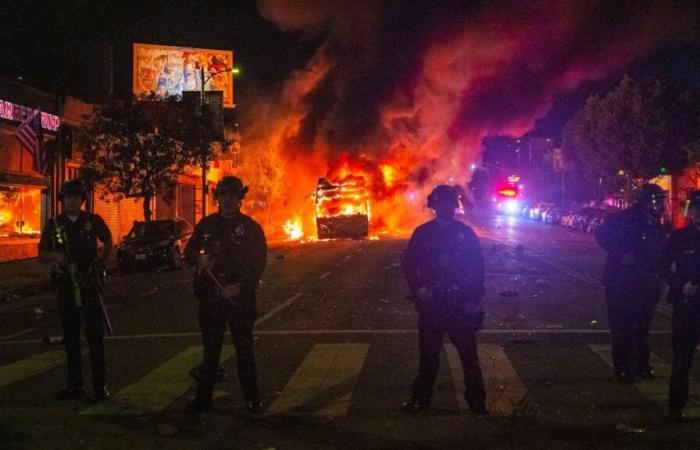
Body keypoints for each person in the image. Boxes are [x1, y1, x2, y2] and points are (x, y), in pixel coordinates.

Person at [401, 185, 487, 415]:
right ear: (434, 204)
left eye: (449, 202)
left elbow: (478, 268)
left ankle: (477, 402)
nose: (445, 206)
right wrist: (419, 289)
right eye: (441, 202)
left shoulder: (465, 234)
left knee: (469, 358)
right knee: (428, 358)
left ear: (454, 205)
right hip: (433, 305)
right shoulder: (423, 233)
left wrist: (474, 300)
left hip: (459, 304)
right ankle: (421, 399)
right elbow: (409, 264)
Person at [184, 176, 267, 414]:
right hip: (211, 298)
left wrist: (239, 286)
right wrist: (199, 258)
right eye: (223, 195)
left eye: (232, 195)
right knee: (211, 351)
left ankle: (253, 401)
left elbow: (258, 263)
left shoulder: (251, 229)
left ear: (240, 198)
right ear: (217, 197)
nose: (227, 200)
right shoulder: (207, 225)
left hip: (239, 299)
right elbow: (189, 251)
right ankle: (203, 400)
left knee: (244, 350)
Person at [38, 179, 113, 401]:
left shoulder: (92, 220)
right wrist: (56, 256)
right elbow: (41, 254)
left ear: (82, 200)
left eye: (76, 198)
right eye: (68, 198)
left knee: (95, 337)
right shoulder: (54, 224)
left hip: (89, 285)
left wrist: (103, 264)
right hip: (67, 286)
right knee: (71, 339)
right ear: (62, 201)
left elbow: (108, 240)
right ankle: (75, 386)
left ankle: (100, 387)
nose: (71, 201)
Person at [595, 183, 667, 383]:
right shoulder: (626, 218)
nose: (660, 205)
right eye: (657, 200)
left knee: (642, 328)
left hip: (646, 282)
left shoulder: (654, 222)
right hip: (623, 282)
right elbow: (601, 234)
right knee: (622, 326)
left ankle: (641, 366)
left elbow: (657, 251)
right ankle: (623, 367)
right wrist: (620, 254)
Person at [662, 192, 700, 421]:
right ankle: (676, 406)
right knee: (682, 358)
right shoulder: (680, 238)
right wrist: (680, 285)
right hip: (687, 304)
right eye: (695, 209)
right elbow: (662, 267)